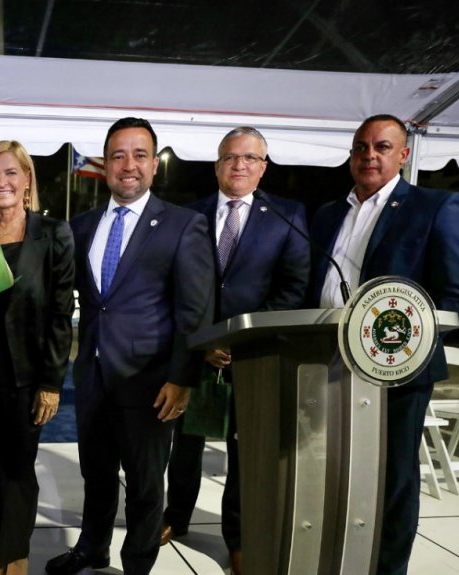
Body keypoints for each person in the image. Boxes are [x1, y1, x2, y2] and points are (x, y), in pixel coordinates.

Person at [45, 117, 214, 575]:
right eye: (118, 155)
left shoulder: (184, 225)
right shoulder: (80, 227)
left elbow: (194, 312)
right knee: (95, 475)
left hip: (152, 382)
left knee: (143, 485)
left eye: (140, 155)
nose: (129, 165)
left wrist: (183, 379)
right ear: (104, 164)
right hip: (95, 377)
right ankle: (92, 549)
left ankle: (137, 564)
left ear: (154, 165)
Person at [308, 114, 459, 575]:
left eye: (382, 147)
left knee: (391, 481)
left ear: (403, 154)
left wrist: (396, 342)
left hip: (397, 370)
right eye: (362, 147)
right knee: (333, 474)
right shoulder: (326, 214)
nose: (369, 155)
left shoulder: (435, 206)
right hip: (325, 363)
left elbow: (457, 294)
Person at [163, 127, 310, 574]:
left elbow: (294, 287)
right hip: (195, 350)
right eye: (230, 157)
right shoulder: (188, 215)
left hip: (252, 355)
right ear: (216, 164)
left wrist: (239, 336)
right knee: (183, 444)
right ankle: (175, 516)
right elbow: (173, 284)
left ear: (263, 167)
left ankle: (238, 538)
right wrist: (202, 339)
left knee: (243, 451)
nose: (239, 165)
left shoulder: (287, 216)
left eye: (250, 158)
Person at [0, 141, 75, 575]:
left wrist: (51, 383)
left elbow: (61, 312)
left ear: (27, 179)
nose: (2, 183)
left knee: (18, 469)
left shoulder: (53, 234)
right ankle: (0, 549)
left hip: (29, 376)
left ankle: (12, 560)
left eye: (11, 173)